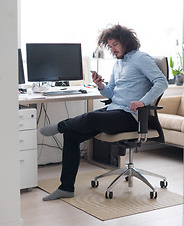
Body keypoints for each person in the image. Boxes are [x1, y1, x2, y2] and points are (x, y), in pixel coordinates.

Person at [40, 24, 168, 201]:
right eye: (110, 46)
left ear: (126, 42)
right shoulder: (118, 63)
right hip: (114, 111)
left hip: (131, 117)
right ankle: (66, 187)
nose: (112, 49)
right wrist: (100, 85)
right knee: (71, 134)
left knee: (91, 116)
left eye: (115, 44)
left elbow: (162, 82)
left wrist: (142, 102)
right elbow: (111, 92)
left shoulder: (141, 59)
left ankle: (61, 125)